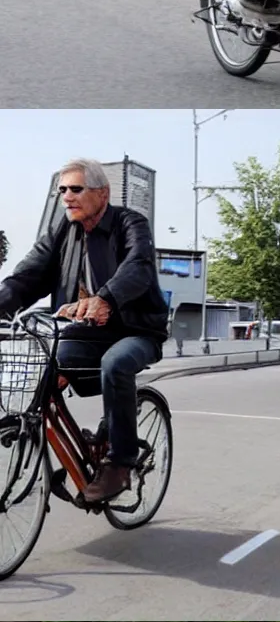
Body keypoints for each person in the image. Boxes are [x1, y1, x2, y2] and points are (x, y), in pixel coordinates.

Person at [0, 158, 169, 504]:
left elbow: (138, 267)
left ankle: (120, 464)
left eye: (76, 189)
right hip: (85, 333)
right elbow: (28, 276)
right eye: (62, 190)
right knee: (47, 366)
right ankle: (66, 450)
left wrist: (105, 298)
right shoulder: (64, 230)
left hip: (136, 330)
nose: (67, 197)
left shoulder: (130, 223)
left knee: (115, 364)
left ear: (102, 193)